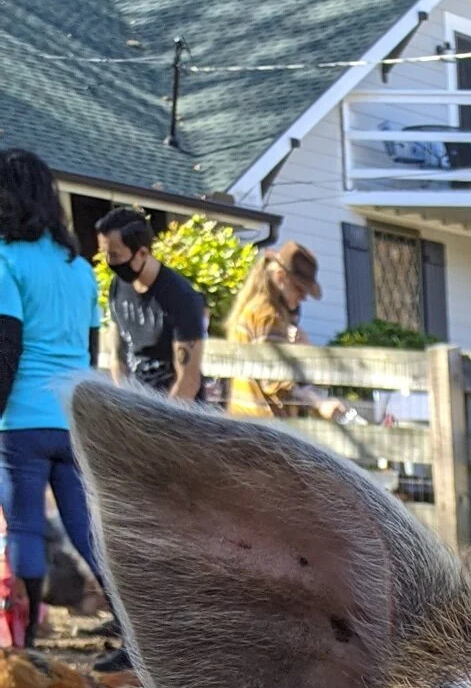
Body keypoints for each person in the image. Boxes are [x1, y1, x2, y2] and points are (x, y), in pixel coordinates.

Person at [0, 147, 109, 646]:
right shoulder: (80, 268)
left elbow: (7, 345)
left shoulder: (5, 258)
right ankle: (136, 638)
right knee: (88, 532)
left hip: (21, 418)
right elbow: (89, 351)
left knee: (23, 526)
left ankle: (26, 641)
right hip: (73, 419)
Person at [225, 241, 345, 420]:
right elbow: (275, 380)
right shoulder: (267, 315)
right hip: (264, 427)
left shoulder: (253, 308)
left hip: (245, 420)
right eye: (299, 288)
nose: (303, 297)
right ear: (280, 277)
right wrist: (319, 403)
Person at [98, 207, 206, 401]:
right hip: (134, 409)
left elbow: (188, 381)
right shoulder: (118, 286)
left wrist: (158, 425)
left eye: (114, 255)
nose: (109, 261)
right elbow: (118, 356)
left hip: (175, 418)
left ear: (141, 253)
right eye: (105, 253)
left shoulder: (181, 297)